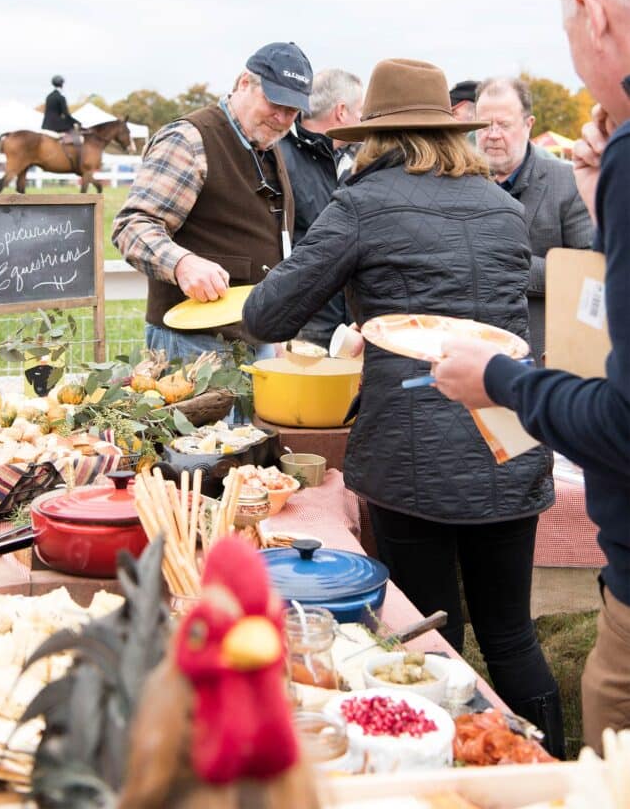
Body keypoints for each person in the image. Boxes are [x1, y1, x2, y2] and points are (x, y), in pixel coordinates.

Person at [243, 58, 565, 757]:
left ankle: (432, 771)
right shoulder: (503, 208)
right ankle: (554, 772)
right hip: (510, 434)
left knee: (426, 633)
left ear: (374, 137)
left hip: (412, 455)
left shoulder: (361, 204)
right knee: (510, 632)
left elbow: (269, 314)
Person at [433, 0, 630, 754]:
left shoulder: (577, 175)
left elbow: (622, 414)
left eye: (504, 124)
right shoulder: (565, 171)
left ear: (591, 14)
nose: (493, 138)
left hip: (543, 387)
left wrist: (500, 379)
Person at [112, 41, 313, 361]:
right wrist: (181, 264)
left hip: (255, 337)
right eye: (274, 102)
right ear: (244, 83)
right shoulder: (189, 140)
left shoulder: (266, 144)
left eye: (292, 110)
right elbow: (132, 226)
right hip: (192, 342)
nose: (282, 117)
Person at [475, 76, 593, 362]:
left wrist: (509, 265)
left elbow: (587, 274)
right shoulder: (457, 184)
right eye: (483, 125)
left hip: (542, 359)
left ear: (529, 125)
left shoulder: (566, 183)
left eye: (503, 125)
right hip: (474, 357)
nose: (492, 134)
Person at [279, 68, 363, 348]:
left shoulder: (362, 158)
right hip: (307, 328)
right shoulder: (280, 159)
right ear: (341, 112)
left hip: (353, 326)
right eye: (360, 110)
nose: (364, 119)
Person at [42, 75, 81, 141]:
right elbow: (66, 115)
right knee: (75, 135)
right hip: (56, 125)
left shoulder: (49, 96)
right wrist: (76, 122)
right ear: (62, 84)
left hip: (45, 124)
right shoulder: (61, 97)